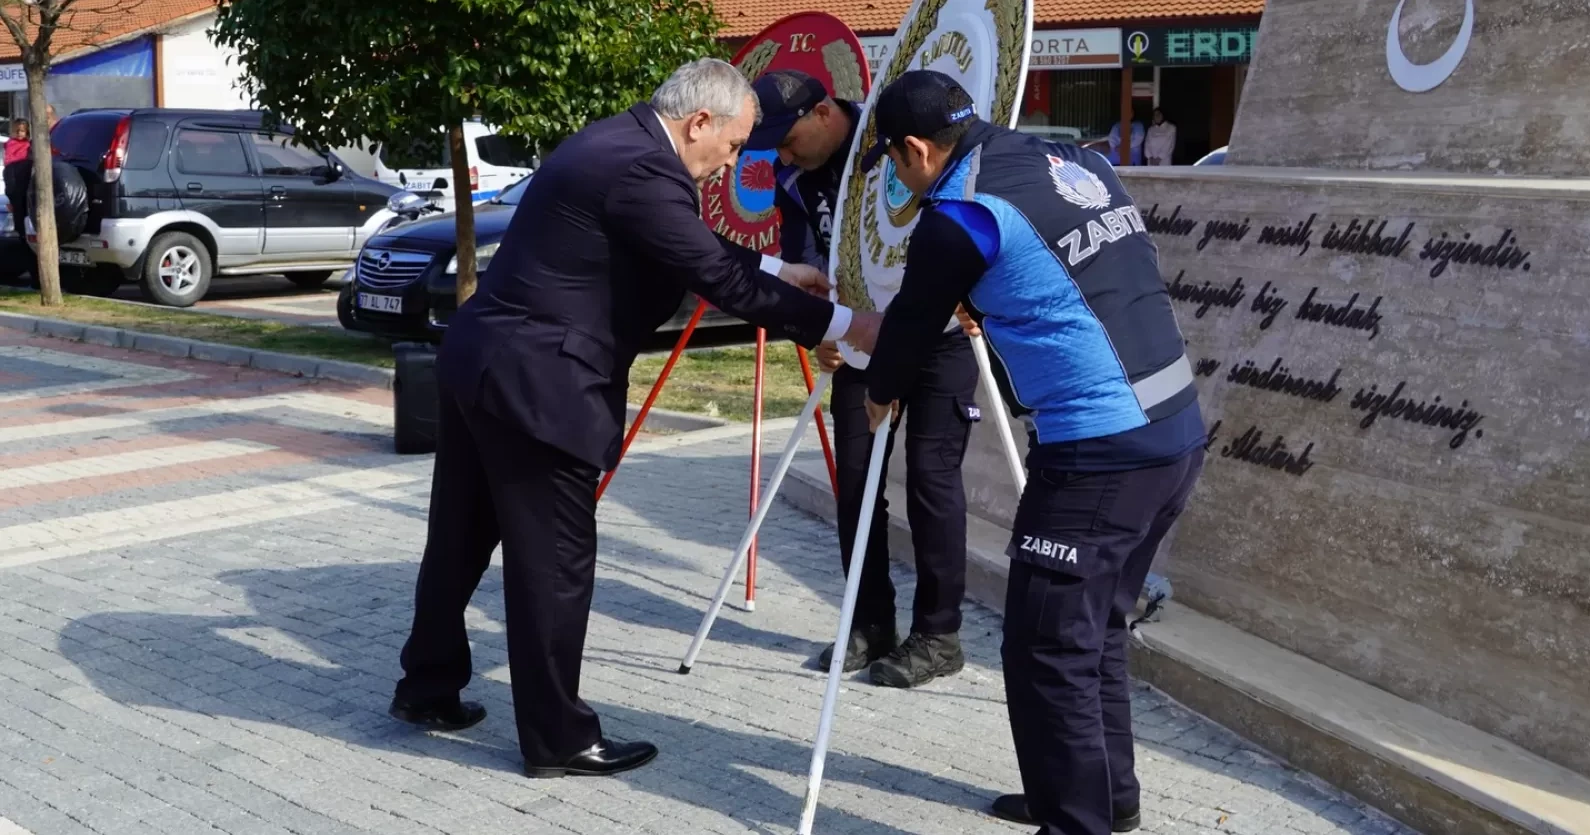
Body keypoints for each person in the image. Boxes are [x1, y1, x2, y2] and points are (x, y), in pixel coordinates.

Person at [391, 57, 879, 780]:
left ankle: (428, 687)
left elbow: (683, 247)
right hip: (541, 383)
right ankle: (557, 737)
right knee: (555, 563)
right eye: (737, 143)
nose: (735, 161)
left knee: (459, 538)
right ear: (700, 122)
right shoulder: (646, 169)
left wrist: (777, 271)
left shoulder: (623, 144)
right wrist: (844, 323)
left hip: (485, 359)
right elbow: (710, 275)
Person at [851, 71, 1208, 835]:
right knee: (1096, 626)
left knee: (1047, 645)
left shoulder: (961, 214)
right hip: (1174, 427)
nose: (896, 174)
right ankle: (1100, 798)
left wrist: (877, 392)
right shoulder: (1073, 159)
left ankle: (1075, 820)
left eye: (892, 160)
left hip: (1099, 451)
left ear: (915, 149)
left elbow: (910, 326)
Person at [744, 69, 980, 688]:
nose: (782, 153)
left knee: (931, 481)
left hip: (939, 338)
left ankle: (938, 633)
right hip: (859, 340)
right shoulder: (792, 176)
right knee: (855, 481)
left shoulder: (898, 136)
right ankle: (869, 621)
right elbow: (804, 264)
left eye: (788, 137)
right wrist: (818, 329)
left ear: (824, 112)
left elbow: (973, 217)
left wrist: (973, 297)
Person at [3, 121, 31, 238]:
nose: (20, 133)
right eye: (18, 131)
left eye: (22, 131)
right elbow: (9, 160)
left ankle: (23, 228)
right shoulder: (11, 144)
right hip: (14, 174)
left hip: (24, 175)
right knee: (17, 203)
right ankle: (20, 229)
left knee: (25, 204)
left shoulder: (29, 144)